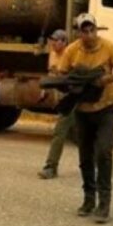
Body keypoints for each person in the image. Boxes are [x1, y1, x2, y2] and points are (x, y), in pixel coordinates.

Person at [57, 12, 113, 225]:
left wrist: (104, 79)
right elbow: (61, 75)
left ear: (96, 29)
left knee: (104, 152)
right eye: (84, 31)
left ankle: (104, 203)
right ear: (79, 33)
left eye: (92, 30)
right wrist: (73, 84)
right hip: (82, 111)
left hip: (106, 109)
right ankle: (89, 199)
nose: (89, 34)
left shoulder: (109, 47)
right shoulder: (72, 51)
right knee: (85, 156)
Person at [38, 29, 76, 179]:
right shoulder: (53, 54)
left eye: (56, 40)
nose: (53, 43)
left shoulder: (71, 55)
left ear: (64, 42)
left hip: (74, 97)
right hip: (63, 98)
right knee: (70, 133)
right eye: (52, 40)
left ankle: (51, 167)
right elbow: (51, 73)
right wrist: (44, 90)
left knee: (60, 132)